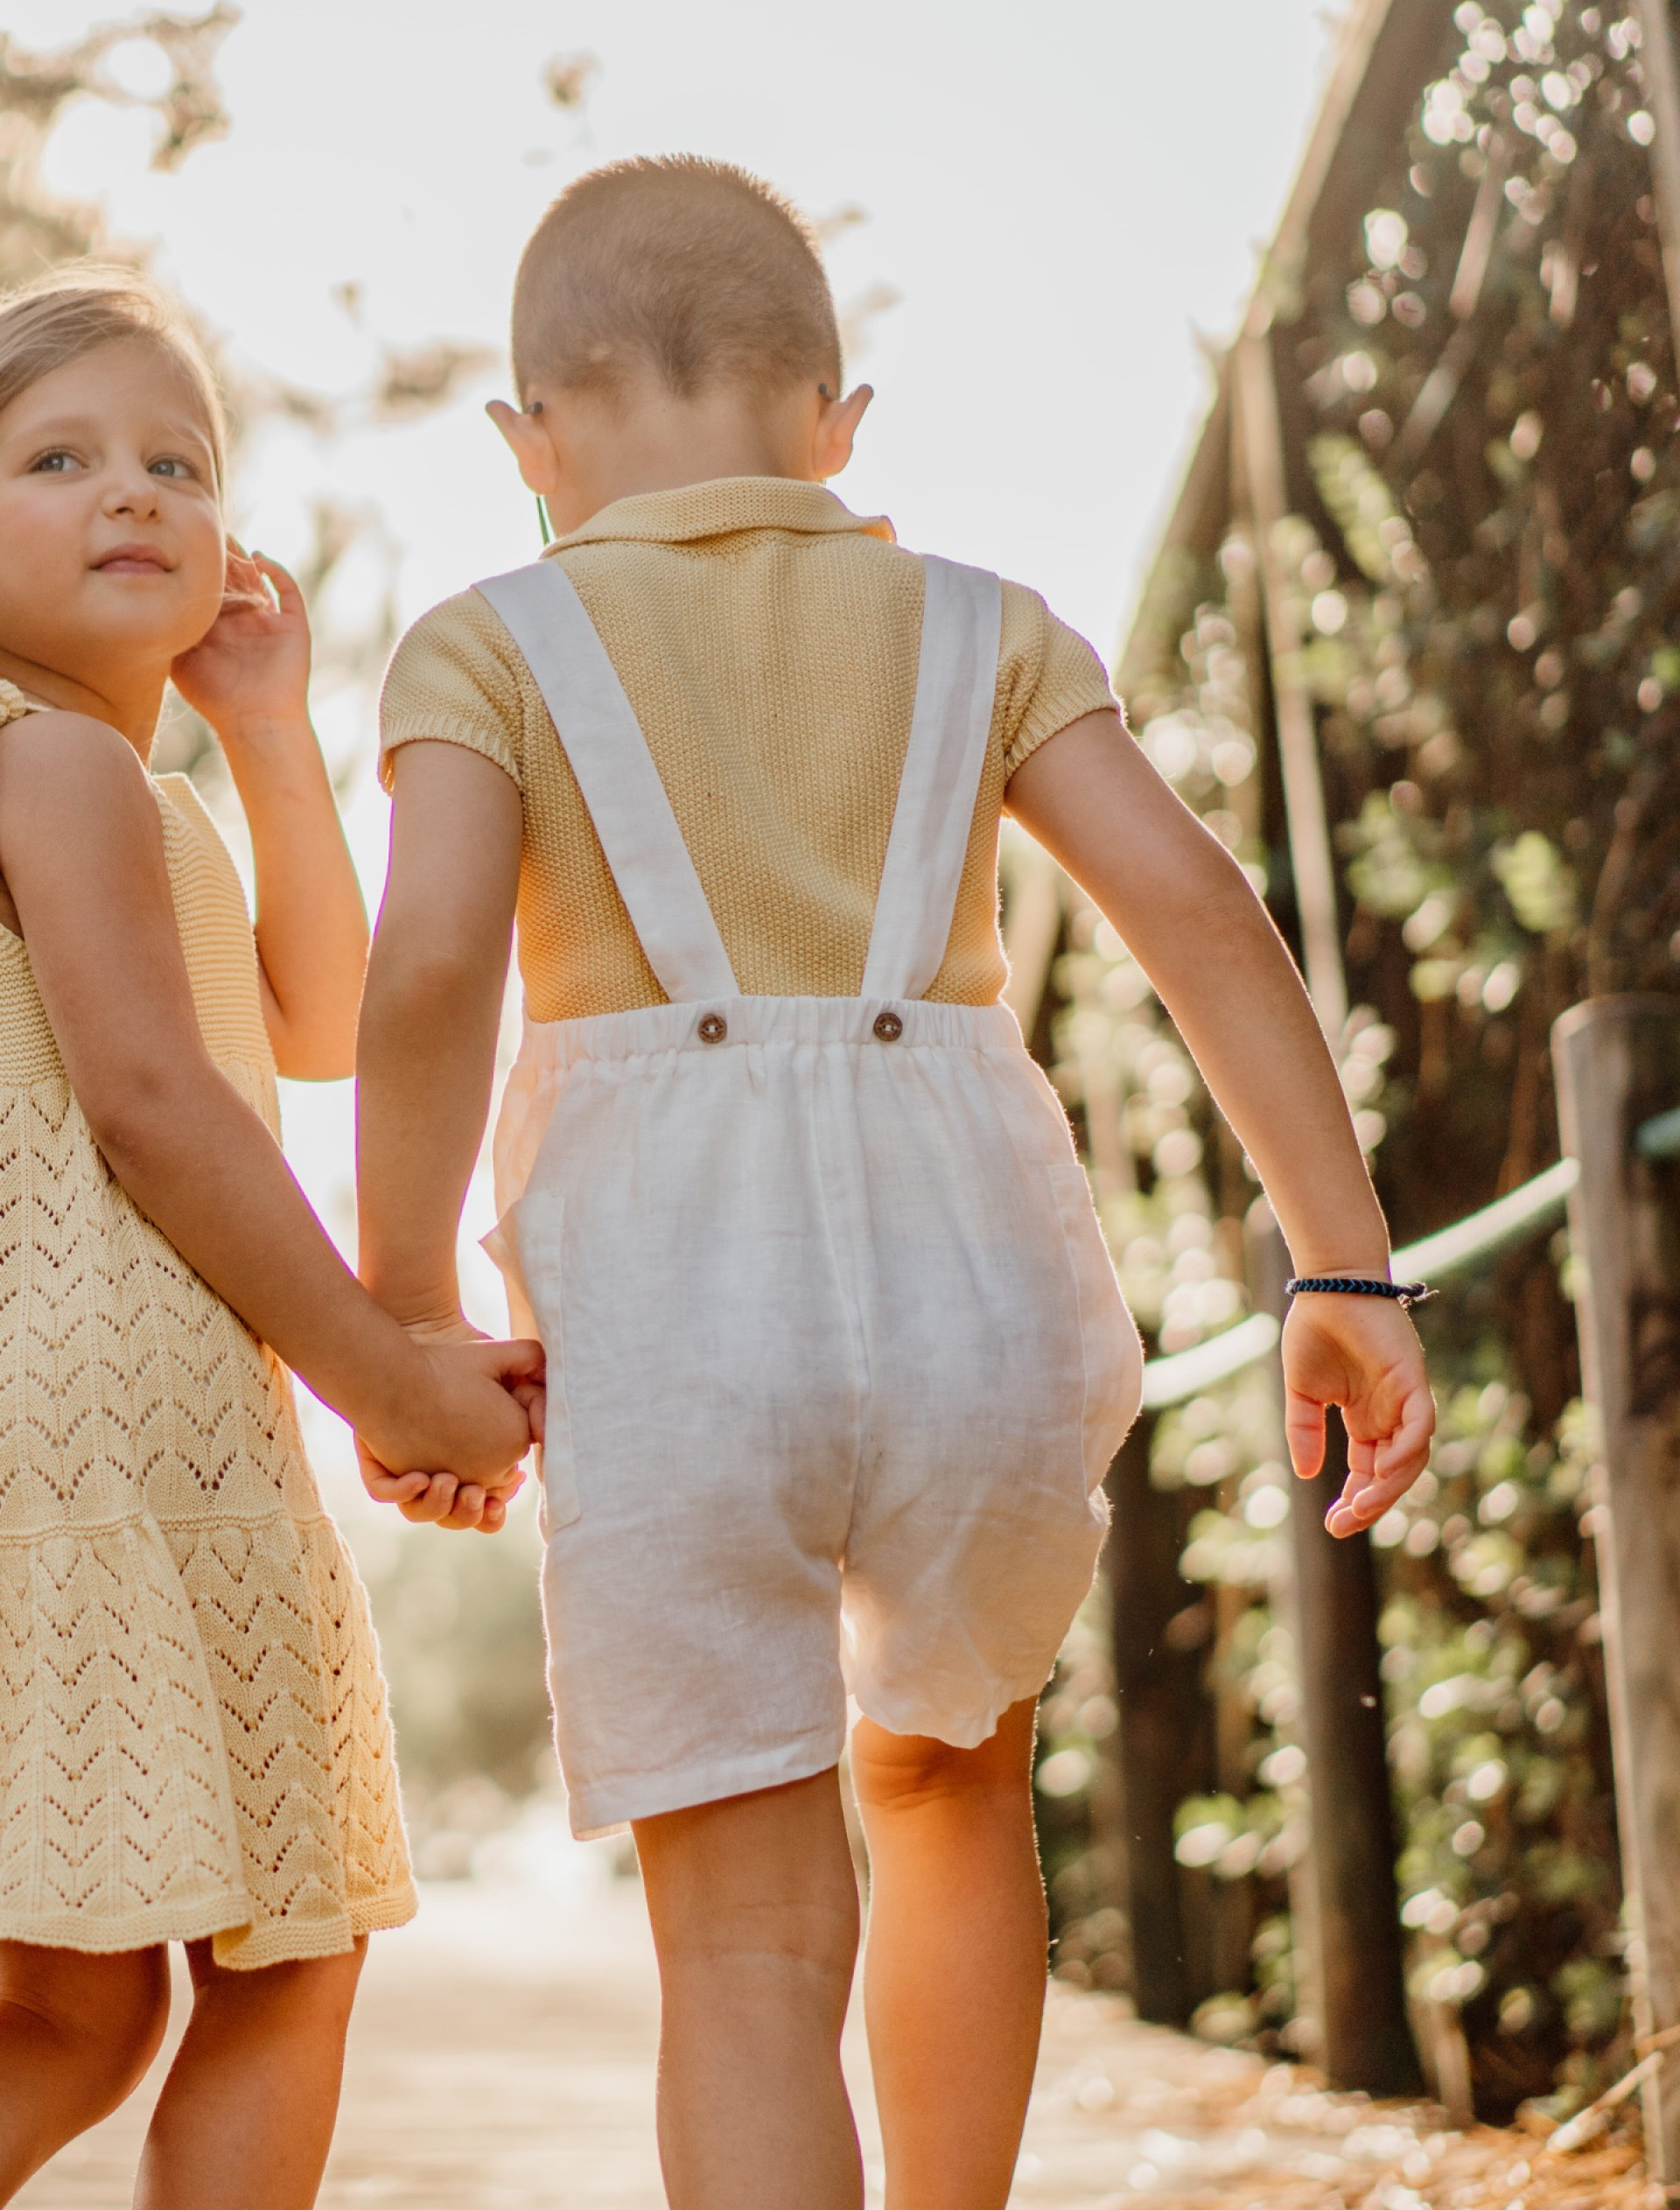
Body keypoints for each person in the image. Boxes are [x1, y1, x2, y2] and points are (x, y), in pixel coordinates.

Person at [356, 157, 1435, 2210]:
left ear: (527, 441)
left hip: (670, 1313)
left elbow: (425, 979)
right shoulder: (983, 626)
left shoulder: (484, 647)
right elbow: (1203, 915)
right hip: (976, 1286)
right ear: (838, 422)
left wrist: (409, 1312)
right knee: (949, 1783)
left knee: (750, 1940)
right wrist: (1343, 1268)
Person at [0, 269, 540, 2210]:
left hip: (100, 1430)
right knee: (284, 1952)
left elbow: (318, 1020)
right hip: (118, 1427)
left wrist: (267, 727)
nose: (132, 492)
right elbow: (155, 1106)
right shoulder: (51, 762)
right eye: (57, 459)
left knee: (73, 2008)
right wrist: (383, 1369)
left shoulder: (121, 781)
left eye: (179, 463)